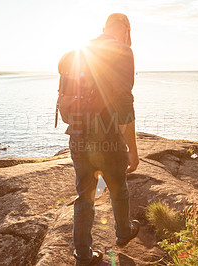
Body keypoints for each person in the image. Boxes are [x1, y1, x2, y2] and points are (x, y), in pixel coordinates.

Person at [60, 13, 140, 266]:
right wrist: (133, 150)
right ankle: (124, 232)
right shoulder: (123, 52)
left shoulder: (82, 51)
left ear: (104, 28)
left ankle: (83, 255)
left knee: (84, 196)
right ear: (126, 30)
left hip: (77, 135)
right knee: (119, 189)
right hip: (107, 138)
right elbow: (125, 105)